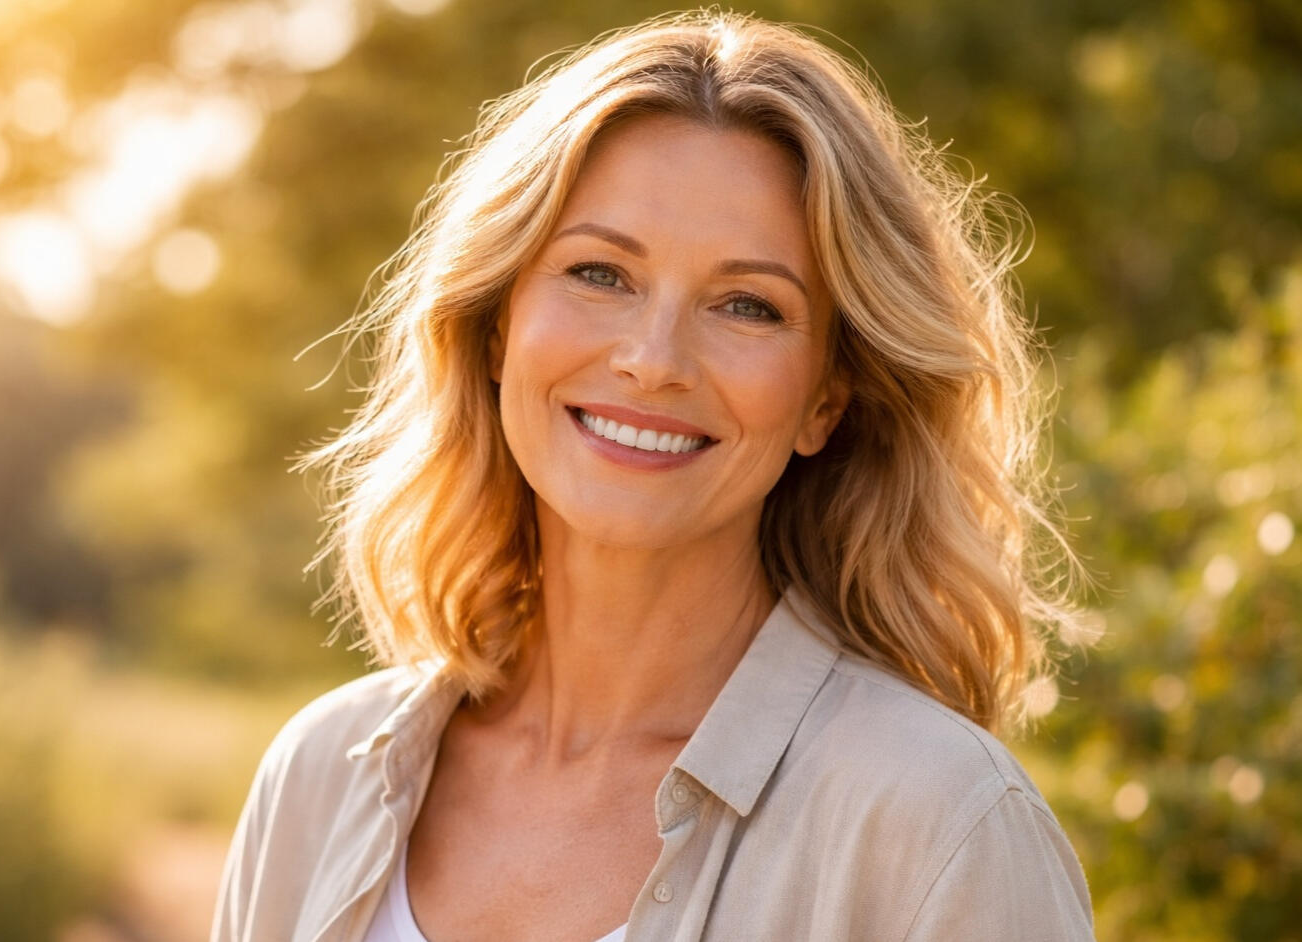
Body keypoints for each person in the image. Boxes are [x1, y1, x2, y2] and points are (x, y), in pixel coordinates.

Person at [212, 11, 1095, 942]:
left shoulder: (939, 827)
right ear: (498, 327)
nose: (653, 358)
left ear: (826, 400)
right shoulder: (322, 776)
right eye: (600, 273)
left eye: (748, 305)